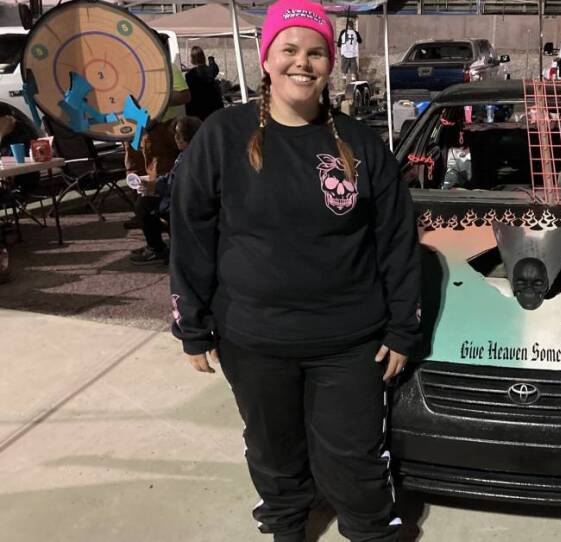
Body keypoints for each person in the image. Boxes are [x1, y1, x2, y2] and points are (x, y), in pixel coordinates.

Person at [169, 1, 420, 541]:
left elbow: (396, 239)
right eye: (288, 49)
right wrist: (192, 325)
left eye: (315, 52)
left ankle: (371, 531)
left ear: (331, 62)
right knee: (272, 451)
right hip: (254, 338)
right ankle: (286, 528)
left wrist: (403, 326)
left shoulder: (360, 143)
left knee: (353, 460)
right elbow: (191, 233)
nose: (301, 63)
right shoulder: (223, 135)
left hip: (349, 341)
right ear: (266, 59)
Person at [123, 32, 190, 229]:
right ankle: (143, 216)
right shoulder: (135, 70)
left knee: (158, 174)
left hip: (160, 130)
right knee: (135, 173)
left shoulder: (167, 68)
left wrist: (157, 97)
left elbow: (185, 95)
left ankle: (162, 222)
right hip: (138, 130)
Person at [129, 116, 202, 265]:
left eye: (177, 136)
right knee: (146, 202)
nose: (175, 139)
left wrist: (154, 186)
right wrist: (155, 183)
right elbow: (173, 179)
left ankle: (156, 248)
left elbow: (175, 183)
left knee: (144, 205)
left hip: (183, 203)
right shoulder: (194, 153)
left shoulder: (188, 157)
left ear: (183, 139)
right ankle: (159, 246)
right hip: (185, 199)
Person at [185, 46, 224, 120]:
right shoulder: (211, 72)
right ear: (203, 57)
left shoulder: (190, 75)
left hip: (197, 112)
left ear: (192, 58)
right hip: (214, 109)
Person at [337, 16, 362, 82]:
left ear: (347, 26)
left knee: (344, 66)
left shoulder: (343, 32)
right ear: (353, 26)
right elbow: (360, 41)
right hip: (353, 53)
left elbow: (339, 44)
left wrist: (340, 50)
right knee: (353, 68)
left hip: (345, 53)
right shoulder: (355, 33)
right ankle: (353, 79)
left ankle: (344, 77)